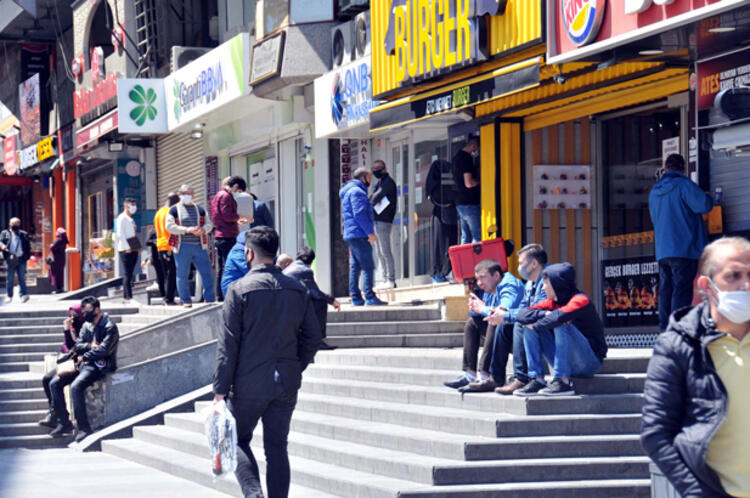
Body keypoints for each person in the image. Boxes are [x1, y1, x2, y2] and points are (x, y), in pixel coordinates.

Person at [213, 226, 322, 498]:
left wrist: (219, 389)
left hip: (248, 383)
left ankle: (254, 494)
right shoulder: (297, 289)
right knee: (277, 448)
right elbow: (313, 336)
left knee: (236, 439)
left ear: (249, 253)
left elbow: (228, 345)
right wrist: (296, 366)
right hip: (285, 382)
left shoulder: (239, 290)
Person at [641, 237, 750, 497]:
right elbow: (656, 433)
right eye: (734, 276)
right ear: (707, 285)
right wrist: (696, 492)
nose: (746, 285)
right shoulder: (678, 345)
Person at [514, 262, 608, 397]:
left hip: (588, 363)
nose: (544, 288)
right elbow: (521, 314)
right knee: (528, 324)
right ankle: (537, 379)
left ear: (558, 284)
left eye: (546, 284)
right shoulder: (553, 302)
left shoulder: (580, 300)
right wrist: (541, 315)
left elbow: (560, 316)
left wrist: (536, 325)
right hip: (567, 360)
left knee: (560, 322)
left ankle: (563, 382)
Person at [469, 244, 549, 395]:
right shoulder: (530, 284)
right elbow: (524, 310)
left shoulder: (547, 280)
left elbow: (535, 312)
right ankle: (481, 375)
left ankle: (521, 377)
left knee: (513, 322)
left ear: (533, 264)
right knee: (476, 324)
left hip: (552, 334)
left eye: (520, 263)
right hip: (533, 330)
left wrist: (488, 310)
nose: (518, 267)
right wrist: (476, 307)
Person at [649, 153, 713, 331]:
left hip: (662, 250)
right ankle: (678, 328)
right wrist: (708, 196)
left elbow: (655, 219)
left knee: (666, 288)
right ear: (683, 169)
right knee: (681, 289)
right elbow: (704, 205)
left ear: (666, 168)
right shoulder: (684, 185)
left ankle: (664, 327)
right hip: (684, 248)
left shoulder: (654, 191)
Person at [443, 259, 525, 389]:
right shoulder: (489, 289)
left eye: (482, 278)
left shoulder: (509, 285)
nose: (479, 283)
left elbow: (501, 313)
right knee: (472, 323)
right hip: (504, 333)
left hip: (520, 336)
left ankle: (486, 375)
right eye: (477, 279)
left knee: (494, 321)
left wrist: (483, 309)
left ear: (496, 275)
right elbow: (481, 314)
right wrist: (475, 306)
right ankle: (470, 375)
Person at [48, 296, 119, 442]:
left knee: (76, 386)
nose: (84, 315)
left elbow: (104, 351)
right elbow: (77, 345)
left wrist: (85, 356)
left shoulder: (109, 327)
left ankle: (84, 428)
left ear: (97, 310)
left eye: (87, 311)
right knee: (54, 383)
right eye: (83, 311)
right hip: (85, 363)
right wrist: (88, 348)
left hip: (100, 365)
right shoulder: (87, 326)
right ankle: (64, 423)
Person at [339, 167, 387, 306]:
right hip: (359, 234)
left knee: (355, 266)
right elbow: (359, 214)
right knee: (368, 265)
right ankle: (369, 296)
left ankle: (356, 297)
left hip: (352, 233)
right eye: (369, 178)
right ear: (362, 178)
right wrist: (369, 233)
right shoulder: (357, 192)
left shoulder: (350, 191)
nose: (370, 181)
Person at [166, 184, 216, 308]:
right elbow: (169, 226)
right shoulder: (173, 210)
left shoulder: (200, 209)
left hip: (200, 245)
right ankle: (186, 300)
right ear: (179, 195)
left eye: (188, 193)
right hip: (182, 246)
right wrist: (186, 229)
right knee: (182, 274)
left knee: (207, 272)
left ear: (193, 195)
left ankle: (209, 298)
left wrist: (203, 230)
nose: (186, 196)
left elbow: (209, 224)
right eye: (183, 193)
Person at [284, 246, 341, 350]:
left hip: (286, 303)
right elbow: (315, 293)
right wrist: (332, 300)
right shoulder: (305, 270)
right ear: (311, 261)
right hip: (294, 305)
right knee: (320, 304)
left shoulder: (288, 268)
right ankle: (317, 341)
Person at [38, 303, 83, 428]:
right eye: (71, 315)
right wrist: (67, 330)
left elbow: (73, 347)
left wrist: (67, 332)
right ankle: (55, 413)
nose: (72, 319)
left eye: (75, 316)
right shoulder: (73, 329)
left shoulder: (85, 328)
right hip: (70, 362)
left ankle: (62, 420)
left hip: (81, 364)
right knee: (47, 378)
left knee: (54, 383)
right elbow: (65, 346)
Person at [211, 176, 245, 302]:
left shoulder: (217, 195)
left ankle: (220, 295)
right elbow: (227, 215)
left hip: (220, 234)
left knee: (222, 267)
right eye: (238, 190)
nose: (237, 193)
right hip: (227, 235)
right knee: (228, 266)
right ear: (235, 186)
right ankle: (226, 295)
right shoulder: (225, 196)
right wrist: (238, 217)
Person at [425, 159, 458, 283]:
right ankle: (442, 272)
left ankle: (441, 272)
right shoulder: (441, 185)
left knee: (440, 245)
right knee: (445, 244)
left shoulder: (433, 185)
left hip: (439, 216)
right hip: (445, 216)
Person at [370, 160, 397, 289]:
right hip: (377, 219)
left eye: (378, 168)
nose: (375, 171)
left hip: (384, 220)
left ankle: (391, 279)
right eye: (374, 168)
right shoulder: (379, 182)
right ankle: (385, 277)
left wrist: (368, 202)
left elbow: (376, 197)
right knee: (379, 251)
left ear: (384, 169)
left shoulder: (388, 182)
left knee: (385, 250)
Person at [452, 135, 481, 244]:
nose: (478, 152)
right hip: (470, 203)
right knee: (477, 236)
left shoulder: (456, 158)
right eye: (478, 148)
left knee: (465, 236)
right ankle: (476, 261)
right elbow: (469, 183)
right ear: (473, 146)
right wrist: (481, 181)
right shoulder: (466, 159)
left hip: (460, 203)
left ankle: (465, 261)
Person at [154, 193, 180, 305]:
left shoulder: (159, 212)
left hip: (160, 246)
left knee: (167, 273)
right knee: (172, 272)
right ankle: (169, 298)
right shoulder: (171, 212)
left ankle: (167, 297)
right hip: (169, 246)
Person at [0, 217, 32, 303]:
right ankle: (9, 295)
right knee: (10, 277)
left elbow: (28, 245)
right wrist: (2, 246)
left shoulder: (23, 234)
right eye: (13, 224)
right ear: (9, 224)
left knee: (22, 277)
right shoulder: (5, 233)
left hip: (21, 258)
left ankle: (23, 295)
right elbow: (0, 241)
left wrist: (27, 256)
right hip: (10, 259)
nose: (15, 225)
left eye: (17, 224)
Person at [116, 198, 139, 304]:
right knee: (127, 273)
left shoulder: (130, 218)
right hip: (126, 249)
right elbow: (120, 234)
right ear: (126, 205)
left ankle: (128, 296)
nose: (134, 207)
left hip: (133, 247)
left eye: (135, 205)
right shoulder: (121, 218)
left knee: (130, 272)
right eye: (132, 205)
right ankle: (128, 296)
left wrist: (137, 247)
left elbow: (133, 234)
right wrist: (127, 247)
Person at [48, 228, 69, 294]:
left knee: (56, 274)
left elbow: (53, 247)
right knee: (60, 273)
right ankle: (60, 288)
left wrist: (51, 245)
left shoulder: (59, 240)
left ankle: (59, 289)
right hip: (61, 259)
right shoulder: (64, 240)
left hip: (56, 259)